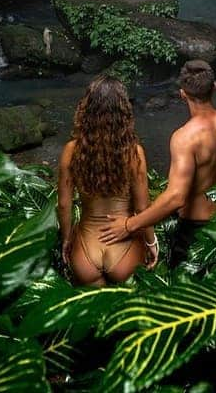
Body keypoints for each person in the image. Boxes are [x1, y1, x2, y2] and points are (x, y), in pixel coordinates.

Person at [99, 59, 216, 266]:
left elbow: (176, 197)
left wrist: (129, 225)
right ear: (215, 87)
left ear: (183, 94)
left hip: (195, 233)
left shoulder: (185, 138)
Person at [57, 75, 159, 285]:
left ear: (88, 108)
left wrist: (66, 240)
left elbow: (64, 204)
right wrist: (151, 242)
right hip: (124, 249)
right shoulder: (133, 153)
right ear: (123, 112)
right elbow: (142, 206)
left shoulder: (71, 151)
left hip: (86, 250)